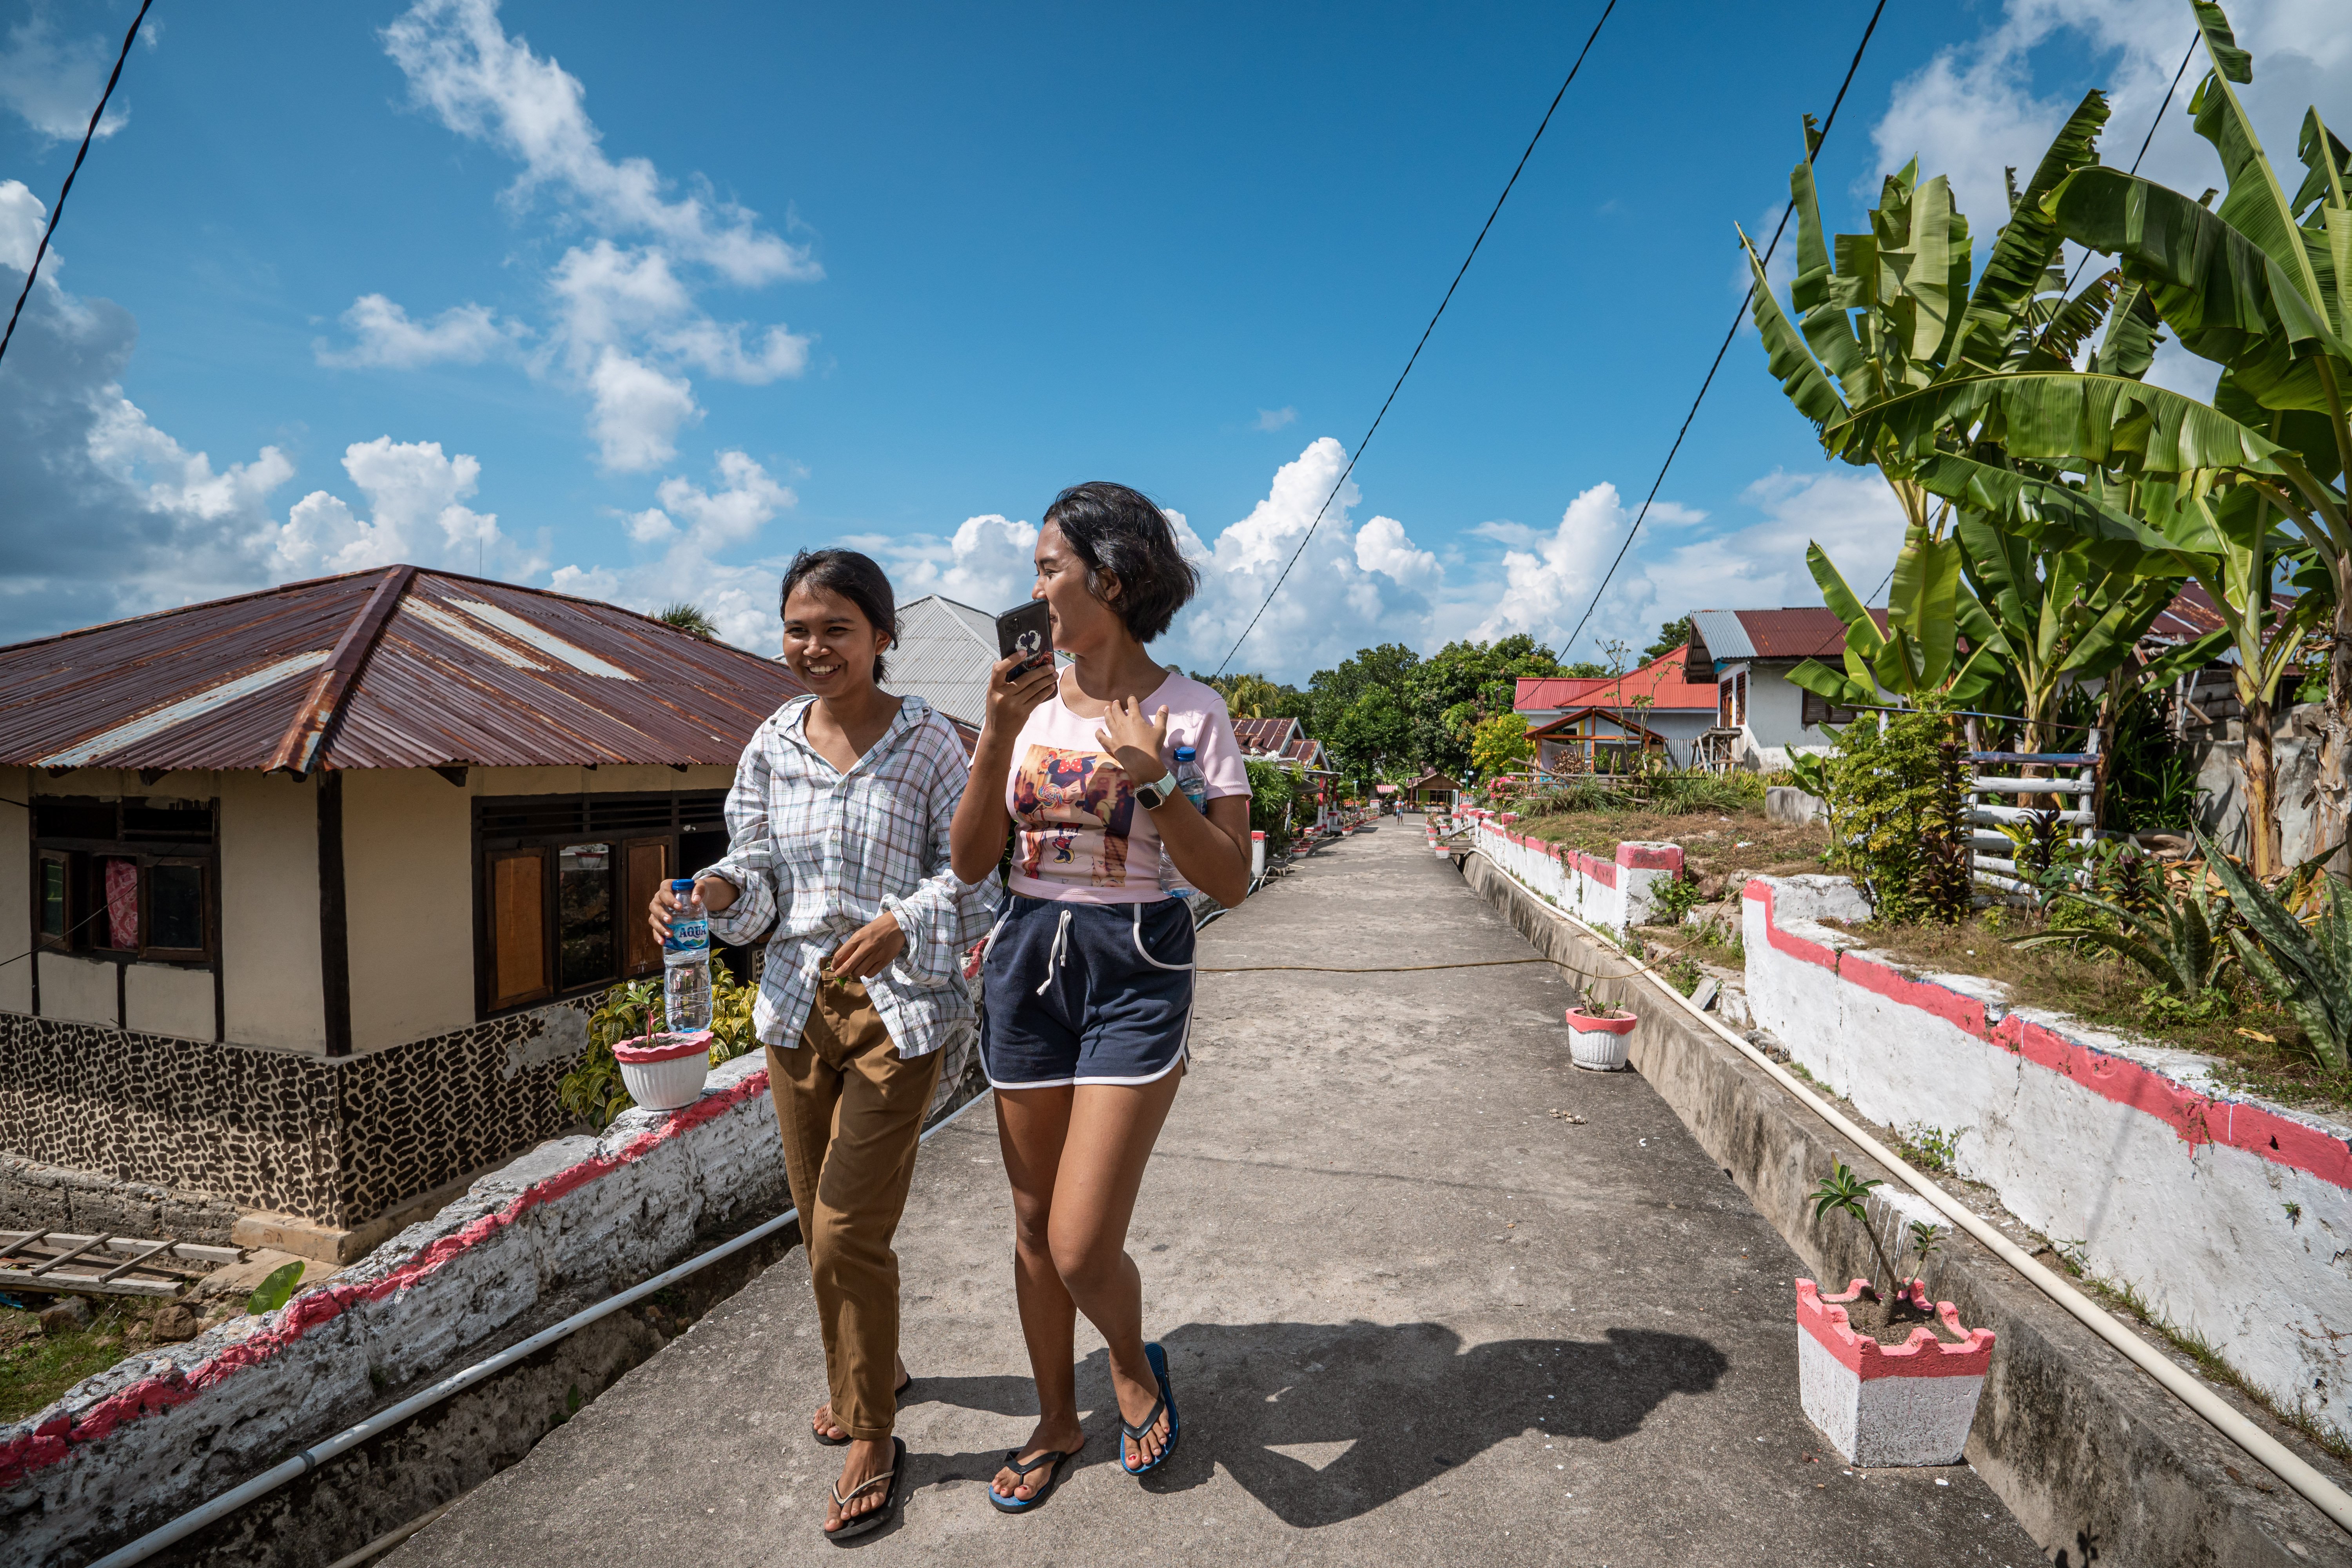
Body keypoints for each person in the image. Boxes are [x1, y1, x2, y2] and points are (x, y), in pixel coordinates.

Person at [648, 549, 996, 1542]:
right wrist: (707, 892)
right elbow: (755, 873)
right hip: (797, 1006)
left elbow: (976, 877)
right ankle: (871, 1364)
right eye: (799, 628)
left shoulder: (932, 743)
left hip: (899, 1009)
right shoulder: (770, 743)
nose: (814, 647)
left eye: (837, 628)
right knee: (817, 1222)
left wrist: (901, 922)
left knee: (848, 1229)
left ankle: (874, 1431)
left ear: (883, 637)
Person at [949, 481, 1254, 1511]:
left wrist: (1157, 781)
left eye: (1049, 568)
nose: (1035, 589)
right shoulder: (1027, 709)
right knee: (1033, 1223)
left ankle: (1128, 1359)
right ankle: (1055, 1415)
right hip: (1028, 954)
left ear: (1110, 580)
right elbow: (970, 861)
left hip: (1136, 964)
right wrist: (994, 734)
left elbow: (1230, 880)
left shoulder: (1194, 712)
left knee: (1082, 1240)